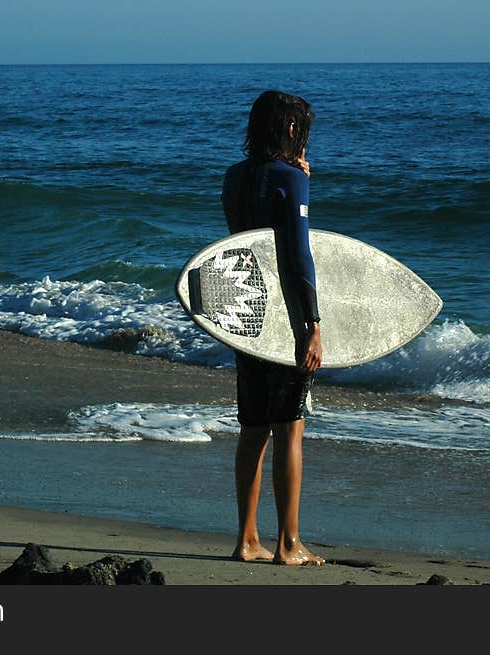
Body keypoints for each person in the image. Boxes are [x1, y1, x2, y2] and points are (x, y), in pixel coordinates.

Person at [220, 90, 324, 566]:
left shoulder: (234, 177)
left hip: (244, 312)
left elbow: (250, 245)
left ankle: (246, 541)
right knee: (291, 428)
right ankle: (289, 544)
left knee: (253, 429)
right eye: (301, 130)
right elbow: (297, 257)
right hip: (284, 317)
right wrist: (313, 324)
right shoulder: (290, 178)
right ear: (289, 130)